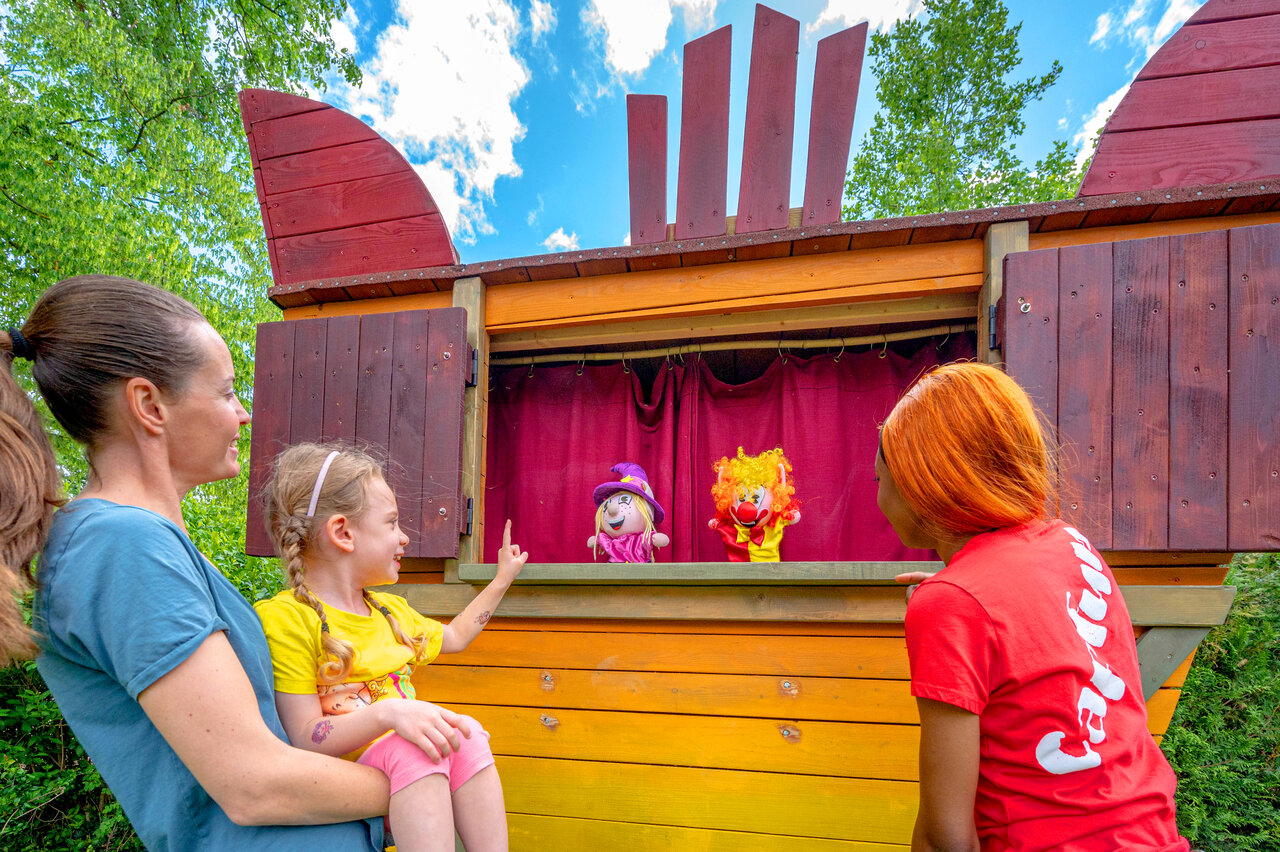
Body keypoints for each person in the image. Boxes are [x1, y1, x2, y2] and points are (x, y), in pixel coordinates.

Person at [5, 275, 394, 850]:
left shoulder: (136, 542)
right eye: (226, 391)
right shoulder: (121, 548)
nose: (243, 414)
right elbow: (254, 785)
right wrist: (425, 776)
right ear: (149, 405)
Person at [875, 362, 1189, 852]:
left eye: (881, 480)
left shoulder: (950, 606)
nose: (878, 499)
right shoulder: (1069, 543)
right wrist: (960, 594)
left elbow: (946, 838)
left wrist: (951, 602)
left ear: (922, 489)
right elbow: (1032, 634)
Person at [256, 443, 528, 852]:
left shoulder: (388, 611)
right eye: (391, 522)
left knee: (466, 733)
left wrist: (501, 579)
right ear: (343, 533)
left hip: (406, 779)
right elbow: (306, 736)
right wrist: (390, 712)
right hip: (343, 789)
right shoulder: (288, 618)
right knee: (413, 749)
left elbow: (454, 637)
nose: (404, 538)